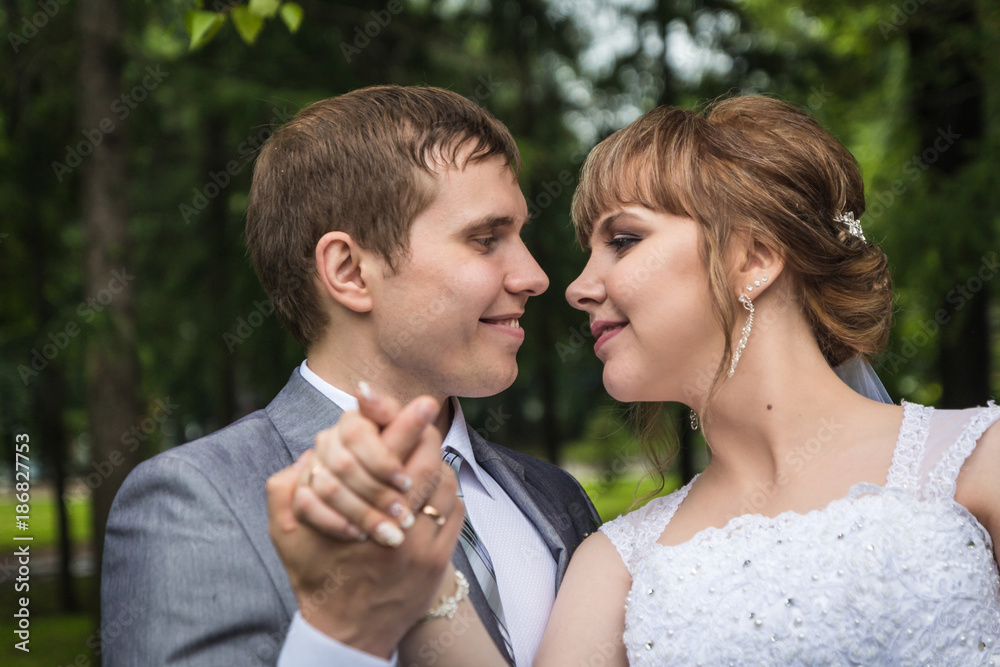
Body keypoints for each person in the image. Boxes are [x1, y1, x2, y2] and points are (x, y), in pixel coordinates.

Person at [271, 94, 1000, 665]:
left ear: (753, 258)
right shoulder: (615, 564)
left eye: (622, 240)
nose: (577, 286)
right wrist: (416, 564)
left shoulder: (979, 464)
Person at [99, 85, 599, 666]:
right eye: (486, 240)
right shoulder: (197, 501)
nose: (534, 275)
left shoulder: (554, 497)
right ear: (350, 272)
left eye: (520, 237)